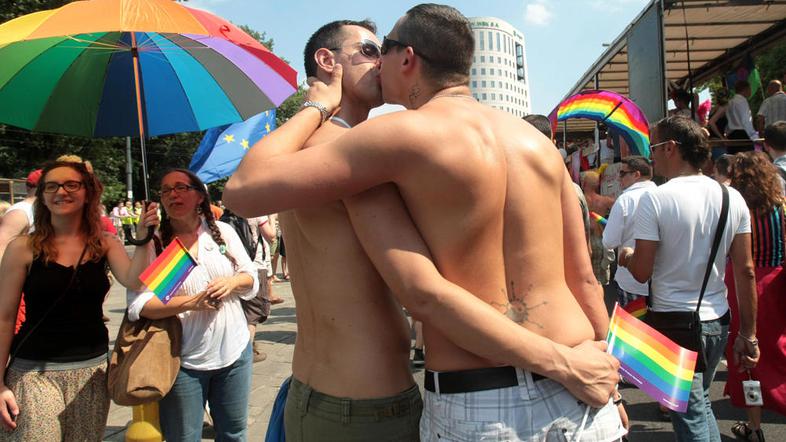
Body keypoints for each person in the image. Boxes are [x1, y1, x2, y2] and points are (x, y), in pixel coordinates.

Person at [226, 5, 623, 440]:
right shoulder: (539, 145)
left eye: (383, 51)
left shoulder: (396, 135)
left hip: (481, 400)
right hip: (584, 383)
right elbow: (584, 279)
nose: (378, 63)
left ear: (407, 59)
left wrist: (317, 108)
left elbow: (243, 190)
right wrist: (612, 387)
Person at [619, 116, 759, 442]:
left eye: (652, 147)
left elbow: (641, 270)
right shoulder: (731, 197)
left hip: (672, 323)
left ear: (671, 148)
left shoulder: (655, 198)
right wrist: (749, 334)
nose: (650, 155)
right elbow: (745, 270)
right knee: (699, 404)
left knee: (689, 417)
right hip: (717, 320)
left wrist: (625, 256)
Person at [0, 161, 157, 440]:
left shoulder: (105, 242)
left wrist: (144, 238)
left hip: (92, 371)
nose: (61, 191)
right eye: (52, 186)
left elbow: (134, 280)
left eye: (71, 184)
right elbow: (4, 316)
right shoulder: (23, 247)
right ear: (43, 195)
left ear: (87, 193)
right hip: (34, 372)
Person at [127, 169, 258, 441]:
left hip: (235, 353)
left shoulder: (222, 232)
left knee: (234, 433)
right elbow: (139, 305)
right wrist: (191, 303)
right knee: (183, 437)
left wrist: (231, 283)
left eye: (181, 187)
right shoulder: (157, 243)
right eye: (165, 190)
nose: (172, 194)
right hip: (182, 362)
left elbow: (251, 278)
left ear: (199, 195)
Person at [725, 152, 786, 441]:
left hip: (743, 283)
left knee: (747, 356)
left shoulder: (738, 210)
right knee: (779, 351)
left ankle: (755, 426)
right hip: (777, 282)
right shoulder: (782, 207)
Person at [602, 156, 655, 307]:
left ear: (636, 175)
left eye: (623, 174)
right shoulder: (662, 195)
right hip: (659, 283)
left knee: (633, 328)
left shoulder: (625, 200)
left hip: (631, 281)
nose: (619, 179)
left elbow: (609, 241)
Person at [245, 214, 277, 362]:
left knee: (243, 312)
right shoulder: (256, 213)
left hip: (239, 266)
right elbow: (271, 236)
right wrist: (271, 218)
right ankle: (247, 353)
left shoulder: (230, 212)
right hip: (256, 266)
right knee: (253, 314)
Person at [726, 80, 757, 153]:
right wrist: (754, 137)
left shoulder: (730, 102)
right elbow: (746, 120)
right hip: (743, 135)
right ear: (746, 89)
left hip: (732, 135)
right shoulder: (742, 101)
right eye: (750, 89)